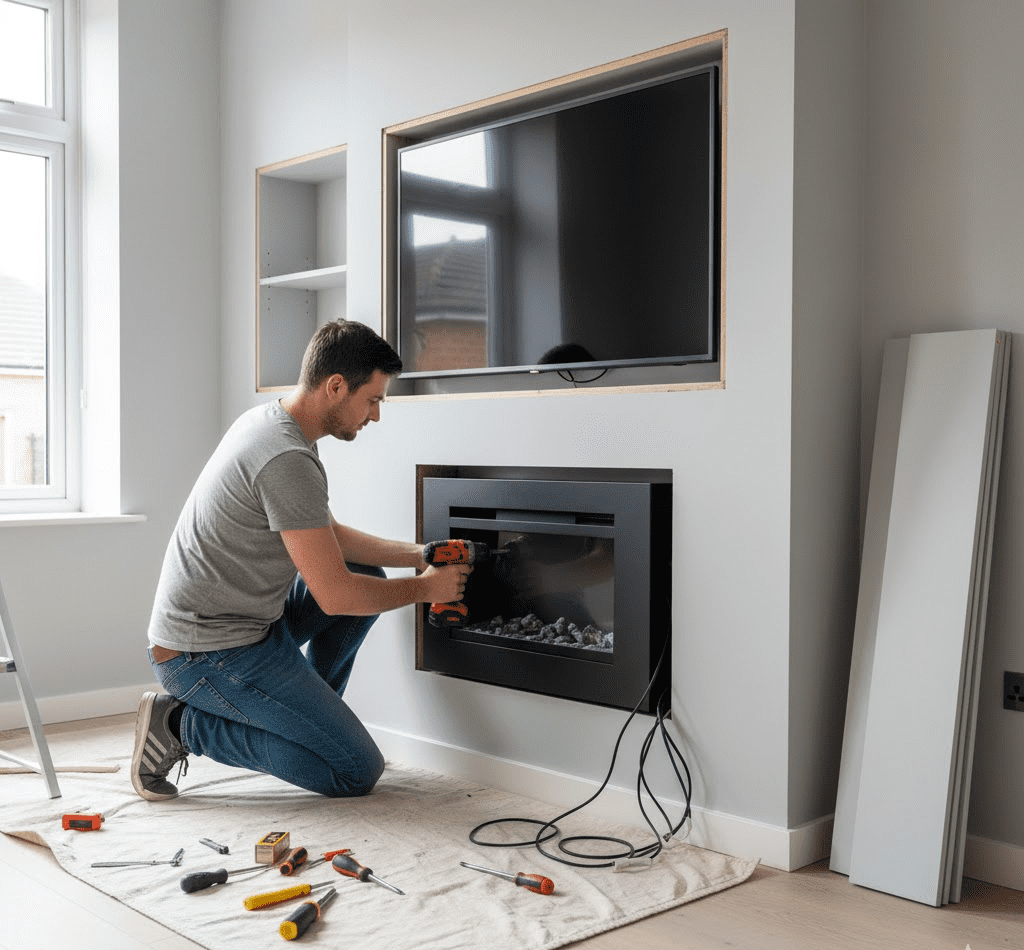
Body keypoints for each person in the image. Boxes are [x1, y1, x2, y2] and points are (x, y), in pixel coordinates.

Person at [132, 319, 470, 801]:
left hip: (247, 625)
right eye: (372, 400)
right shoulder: (286, 457)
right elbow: (335, 596)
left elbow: (324, 534)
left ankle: (309, 721)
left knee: (364, 574)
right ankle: (181, 725)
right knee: (355, 770)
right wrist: (428, 588)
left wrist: (417, 555)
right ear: (336, 387)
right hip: (203, 653)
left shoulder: (272, 422)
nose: (375, 415)